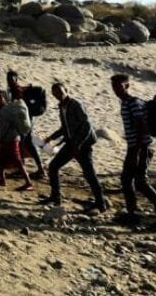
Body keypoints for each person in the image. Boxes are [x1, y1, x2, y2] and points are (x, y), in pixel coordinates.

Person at [111, 74, 156, 230]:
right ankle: (132, 214)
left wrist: (137, 152)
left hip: (141, 147)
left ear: (127, 86)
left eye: (119, 86)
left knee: (141, 182)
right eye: (113, 86)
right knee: (126, 179)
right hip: (134, 147)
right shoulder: (126, 103)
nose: (115, 89)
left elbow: (141, 126)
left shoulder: (134, 103)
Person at [40, 83, 107, 213]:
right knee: (53, 167)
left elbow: (86, 127)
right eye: (54, 93)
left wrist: (79, 145)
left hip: (82, 145)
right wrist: (51, 138)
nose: (57, 94)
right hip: (71, 144)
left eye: (59, 91)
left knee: (89, 175)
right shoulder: (61, 106)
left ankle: (101, 203)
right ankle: (55, 197)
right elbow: (65, 128)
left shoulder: (76, 104)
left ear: (66, 90)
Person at [0, 89, 34, 191]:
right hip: (8, 139)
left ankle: (28, 182)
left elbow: (5, 127)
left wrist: (0, 139)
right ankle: (1, 179)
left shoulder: (6, 111)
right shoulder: (5, 110)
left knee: (18, 161)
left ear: (5, 98)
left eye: (0, 97)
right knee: (1, 159)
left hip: (11, 139)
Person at [6, 70, 45, 179]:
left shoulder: (17, 90)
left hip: (24, 121)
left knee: (24, 144)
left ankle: (32, 169)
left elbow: (20, 107)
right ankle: (36, 168)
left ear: (16, 79)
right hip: (24, 121)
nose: (9, 81)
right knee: (26, 144)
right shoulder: (13, 90)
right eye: (8, 79)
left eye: (11, 79)